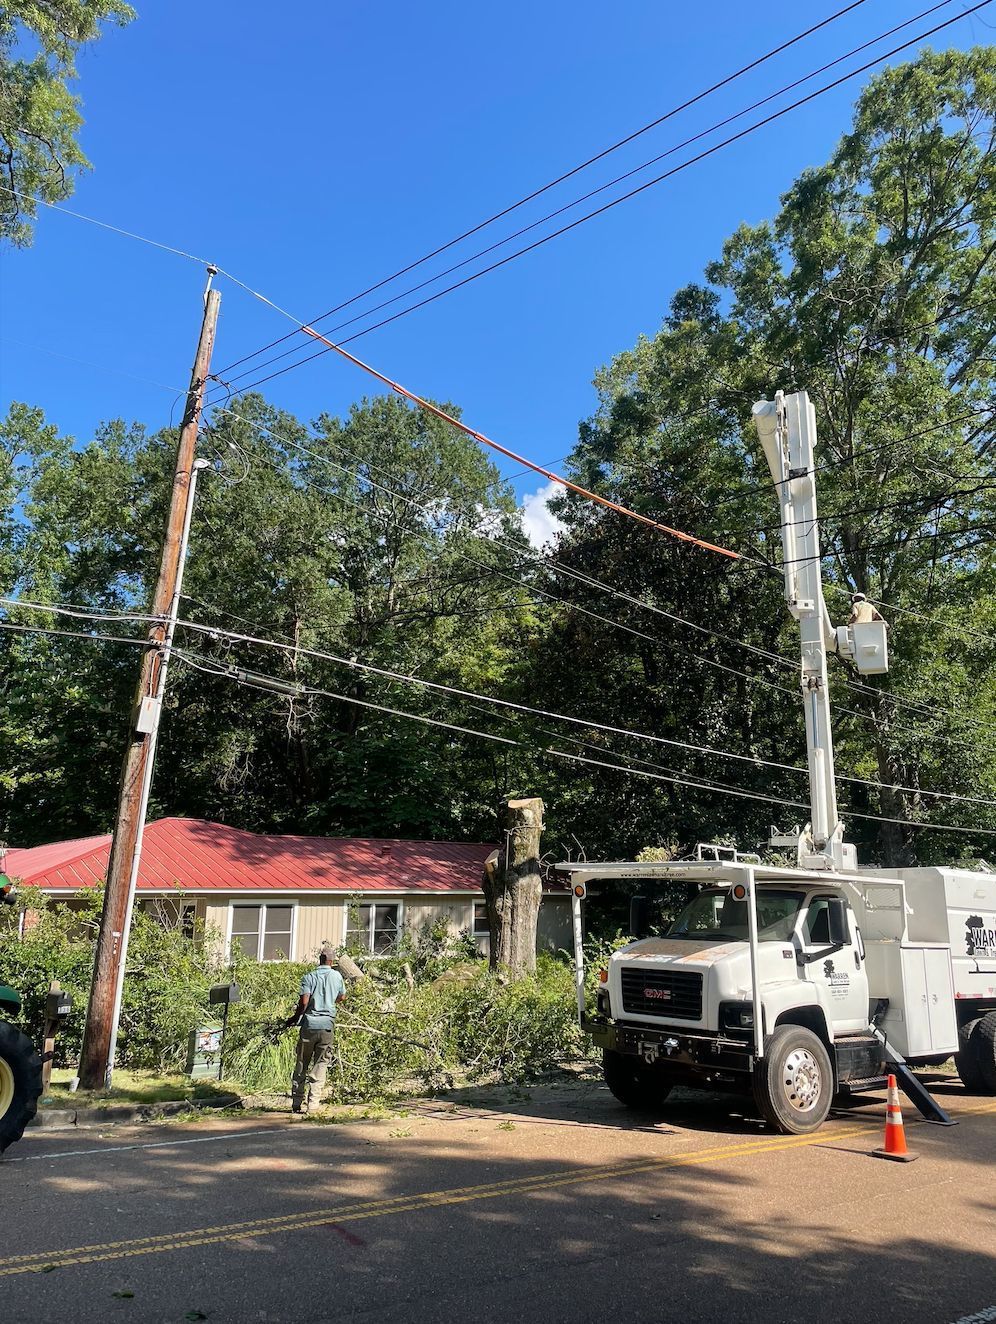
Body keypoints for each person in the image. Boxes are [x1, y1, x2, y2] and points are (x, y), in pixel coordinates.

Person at [287, 950, 346, 1114]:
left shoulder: (309, 977)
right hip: (327, 1025)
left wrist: (295, 1017)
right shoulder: (337, 977)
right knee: (320, 1064)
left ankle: (296, 1102)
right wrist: (330, 1001)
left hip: (309, 1025)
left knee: (301, 1062)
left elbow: (304, 1001)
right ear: (331, 961)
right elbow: (342, 997)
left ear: (320, 960)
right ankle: (312, 1105)